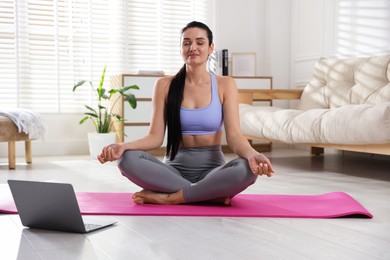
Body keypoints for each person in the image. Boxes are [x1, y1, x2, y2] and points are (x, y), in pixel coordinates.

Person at [98, 21, 274, 205]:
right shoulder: (164, 85)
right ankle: (207, 194)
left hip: (212, 171)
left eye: (200, 42)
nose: (193, 47)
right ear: (181, 48)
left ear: (211, 47)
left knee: (245, 168)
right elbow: (155, 137)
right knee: (126, 160)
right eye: (187, 43)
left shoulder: (225, 84)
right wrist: (123, 146)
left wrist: (253, 154)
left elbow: (235, 136)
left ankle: (171, 197)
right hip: (173, 171)